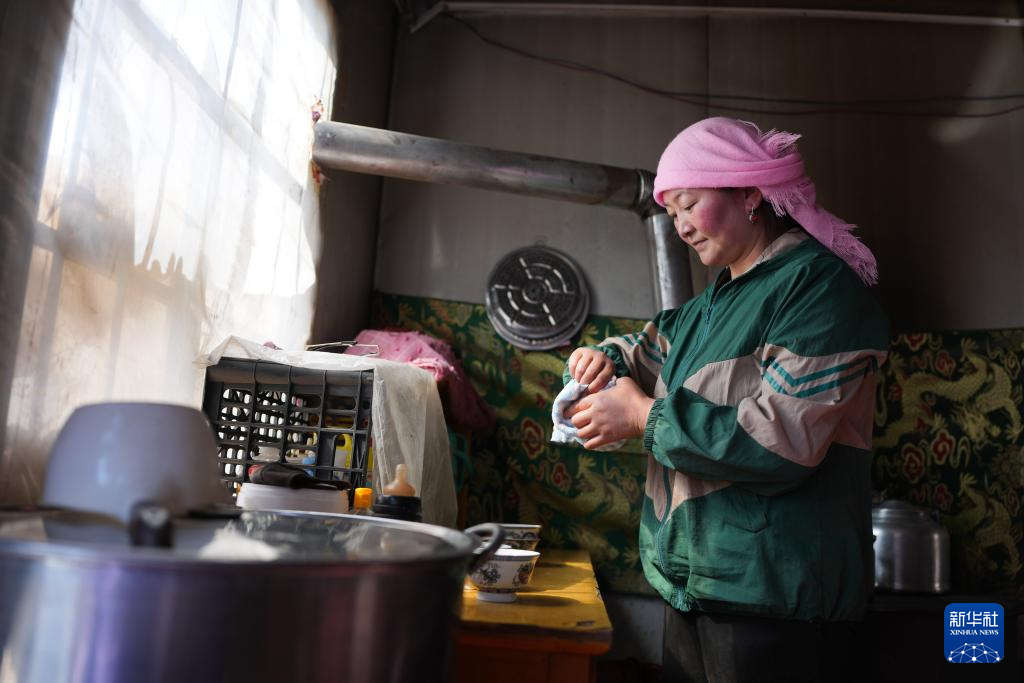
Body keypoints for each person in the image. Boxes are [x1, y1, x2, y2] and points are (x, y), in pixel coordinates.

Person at [562, 117, 889, 682]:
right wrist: (600, 359)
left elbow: (783, 440)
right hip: (693, 584)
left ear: (750, 194)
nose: (682, 227)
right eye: (672, 214)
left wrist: (642, 416)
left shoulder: (818, 288)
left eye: (690, 204)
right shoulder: (705, 309)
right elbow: (641, 350)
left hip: (777, 596)